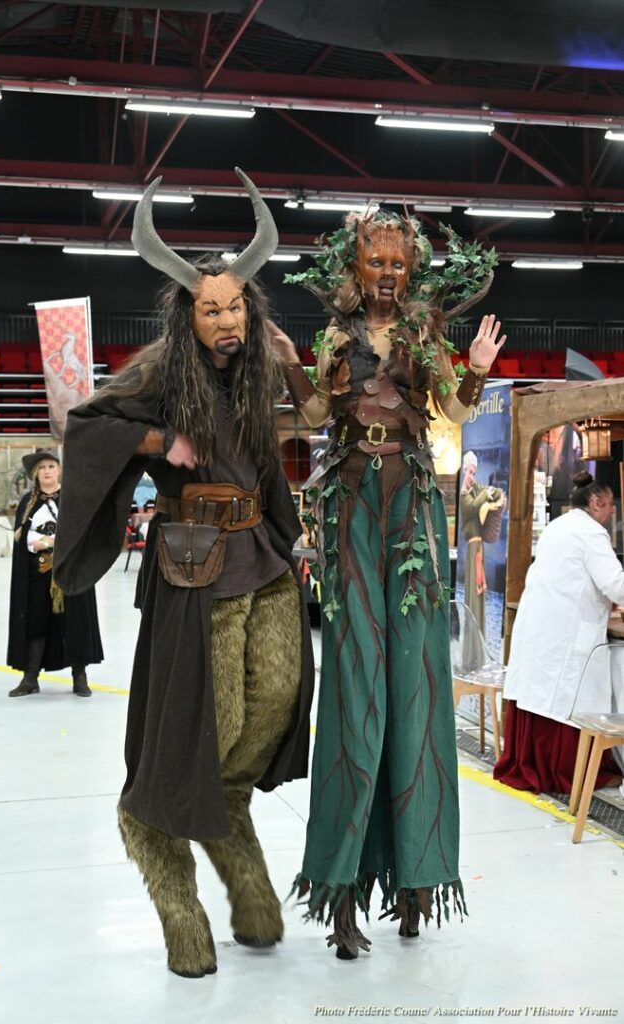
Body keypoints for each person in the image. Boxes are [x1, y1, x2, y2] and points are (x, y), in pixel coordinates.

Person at [53, 169, 314, 979]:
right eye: (211, 309)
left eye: (235, 306)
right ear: (187, 314)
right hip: (196, 567)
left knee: (276, 703)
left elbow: (307, 425)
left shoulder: (259, 364)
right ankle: (169, 875)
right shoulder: (163, 369)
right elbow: (83, 424)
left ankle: (236, 855)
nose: (226, 320)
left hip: (263, 557)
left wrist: (292, 366)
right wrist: (159, 443)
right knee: (206, 726)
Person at [270, 208, 504, 957]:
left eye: (398, 264)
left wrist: (475, 365)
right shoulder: (335, 337)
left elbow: (454, 409)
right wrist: (290, 364)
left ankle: (415, 881)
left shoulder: (424, 336)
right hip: (350, 506)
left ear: (411, 271)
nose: (387, 274)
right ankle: (341, 889)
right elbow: (314, 411)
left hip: (412, 506)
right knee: (353, 682)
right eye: (376, 262)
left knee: (416, 680)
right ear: (356, 265)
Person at [494, 471, 624, 794]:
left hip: (542, 628)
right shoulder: (592, 533)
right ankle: (564, 770)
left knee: (542, 697)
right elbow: (615, 584)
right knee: (563, 700)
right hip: (564, 633)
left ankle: (533, 764)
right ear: (596, 502)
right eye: (610, 504)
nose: (612, 511)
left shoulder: (558, 526)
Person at [7, 449, 103, 697]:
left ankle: (79, 678)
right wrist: (43, 543)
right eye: (42, 467)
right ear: (35, 473)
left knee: (75, 622)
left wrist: (52, 542)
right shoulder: (28, 503)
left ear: (59, 469)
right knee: (36, 623)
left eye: (51, 466)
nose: (47, 471)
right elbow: (23, 539)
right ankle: (30, 678)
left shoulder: (72, 499)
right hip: (38, 574)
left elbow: (82, 532)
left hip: (70, 574)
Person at [459, 450, 506, 640]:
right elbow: (472, 507)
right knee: (473, 589)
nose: (472, 476)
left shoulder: (476, 489)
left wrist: (494, 494)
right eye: (469, 472)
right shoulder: (464, 496)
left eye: (474, 472)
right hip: (472, 547)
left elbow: (495, 493)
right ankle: (472, 638)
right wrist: (485, 495)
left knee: (479, 589)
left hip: (479, 546)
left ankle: (478, 636)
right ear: (464, 471)